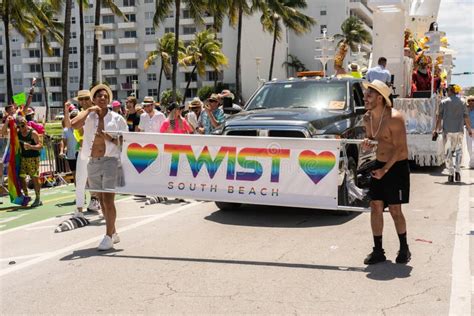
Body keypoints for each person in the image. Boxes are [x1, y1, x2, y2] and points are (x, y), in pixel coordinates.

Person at [71, 84, 128, 250]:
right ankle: (114, 232)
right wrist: (89, 111)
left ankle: (108, 236)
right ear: (93, 100)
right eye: (99, 96)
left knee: (109, 200)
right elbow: (73, 125)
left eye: (105, 96)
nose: (102, 98)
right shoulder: (88, 116)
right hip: (93, 161)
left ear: (108, 99)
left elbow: (125, 142)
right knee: (102, 200)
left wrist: (108, 137)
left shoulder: (117, 119)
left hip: (111, 161)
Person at [362, 79, 411, 265]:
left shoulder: (395, 118)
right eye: (366, 94)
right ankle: (378, 250)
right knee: (375, 206)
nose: (365, 97)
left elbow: (400, 149)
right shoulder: (367, 118)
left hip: (396, 167)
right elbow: (371, 140)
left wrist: (384, 170)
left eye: (370, 95)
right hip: (379, 165)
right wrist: (367, 144)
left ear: (380, 98)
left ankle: (404, 248)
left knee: (395, 210)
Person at [66, 90, 101, 216]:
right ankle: (79, 209)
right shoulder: (81, 114)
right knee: (80, 180)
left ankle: (98, 202)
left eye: (86, 98)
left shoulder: (99, 112)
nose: (84, 101)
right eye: (81, 99)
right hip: (85, 151)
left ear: (91, 99)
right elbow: (73, 125)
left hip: (99, 151)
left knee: (99, 180)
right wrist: (88, 111)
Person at [433, 84, 472, 182]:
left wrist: (436, 129)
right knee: (459, 152)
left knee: (448, 152)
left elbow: (439, 118)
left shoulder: (443, 102)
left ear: (450, 91)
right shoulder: (462, 102)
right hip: (459, 130)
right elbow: (466, 117)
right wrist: (469, 129)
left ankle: (450, 173)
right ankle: (457, 171)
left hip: (447, 131)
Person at [16, 116, 43, 207]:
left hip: (33, 158)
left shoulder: (33, 133)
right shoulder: (18, 133)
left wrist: (31, 147)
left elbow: (40, 146)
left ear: (26, 123)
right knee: (21, 176)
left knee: (34, 177)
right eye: (19, 126)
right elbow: (4, 133)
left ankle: (38, 198)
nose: (21, 128)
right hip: (23, 158)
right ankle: (26, 196)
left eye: (22, 125)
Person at [60, 110, 80, 201]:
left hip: (81, 153)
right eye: (72, 118)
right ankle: (80, 195)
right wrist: (61, 151)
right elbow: (63, 142)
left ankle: (93, 196)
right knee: (75, 175)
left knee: (84, 175)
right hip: (71, 155)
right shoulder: (66, 130)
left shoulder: (82, 128)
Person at [466, 96, 474, 168]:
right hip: (468, 129)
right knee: (469, 146)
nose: (471, 102)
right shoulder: (466, 109)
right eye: (469, 101)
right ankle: (472, 160)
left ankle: (472, 162)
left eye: (472, 100)